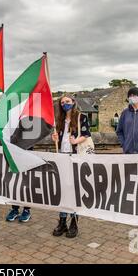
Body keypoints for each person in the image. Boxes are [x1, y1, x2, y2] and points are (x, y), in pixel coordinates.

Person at [51, 94, 91, 238]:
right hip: (62, 156)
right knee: (63, 190)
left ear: (73, 102)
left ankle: (74, 222)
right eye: (62, 102)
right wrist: (54, 138)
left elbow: (86, 134)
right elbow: (58, 137)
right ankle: (62, 222)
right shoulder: (60, 119)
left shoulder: (81, 117)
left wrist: (75, 141)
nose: (65, 104)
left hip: (75, 157)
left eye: (67, 101)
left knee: (74, 190)